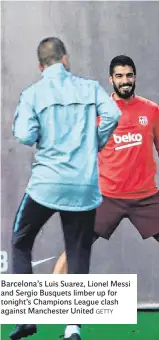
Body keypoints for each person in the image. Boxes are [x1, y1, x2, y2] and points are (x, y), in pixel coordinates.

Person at [52, 55, 159, 314]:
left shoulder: (151, 110)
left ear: (135, 77)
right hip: (106, 196)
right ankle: (45, 302)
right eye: (120, 76)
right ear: (110, 79)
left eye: (129, 75)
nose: (125, 81)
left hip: (145, 196)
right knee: (76, 246)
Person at [9, 37, 121, 340]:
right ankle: (72, 328)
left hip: (46, 184)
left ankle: (25, 316)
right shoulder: (89, 88)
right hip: (83, 185)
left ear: (40, 65)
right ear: (65, 60)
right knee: (78, 252)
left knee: (20, 242)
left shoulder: (32, 94)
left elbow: (23, 135)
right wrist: (95, 142)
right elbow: (113, 115)